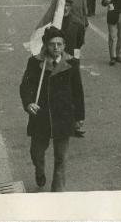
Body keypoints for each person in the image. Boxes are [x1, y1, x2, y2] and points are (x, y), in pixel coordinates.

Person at [19, 27, 85, 191]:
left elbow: (78, 91)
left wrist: (79, 117)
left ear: (64, 45)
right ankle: (39, 170)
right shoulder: (35, 62)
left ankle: (57, 194)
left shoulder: (71, 63)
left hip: (63, 117)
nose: (56, 48)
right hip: (41, 116)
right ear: (45, 45)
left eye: (59, 44)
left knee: (61, 158)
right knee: (37, 153)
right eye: (52, 44)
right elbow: (25, 86)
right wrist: (29, 104)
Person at [60, 0, 86, 138]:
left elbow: (79, 42)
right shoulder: (54, 23)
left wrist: (75, 59)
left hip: (72, 62)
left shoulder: (77, 24)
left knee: (75, 91)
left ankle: (76, 123)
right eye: (63, 5)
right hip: (56, 63)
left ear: (71, 7)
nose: (65, 8)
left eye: (68, 6)